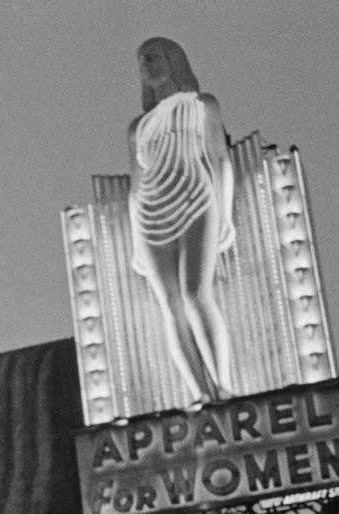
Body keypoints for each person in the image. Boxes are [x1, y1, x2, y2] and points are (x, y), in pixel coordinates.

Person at [127, 37, 236, 404]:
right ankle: (199, 393)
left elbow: (219, 159)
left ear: (174, 60)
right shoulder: (137, 127)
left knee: (195, 294)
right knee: (170, 307)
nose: (146, 63)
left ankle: (223, 384)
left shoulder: (202, 104)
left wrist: (224, 212)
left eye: (153, 56)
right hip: (150, 214)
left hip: (194, 198)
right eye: (141, 59)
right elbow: (134, 185)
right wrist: (134, 244)